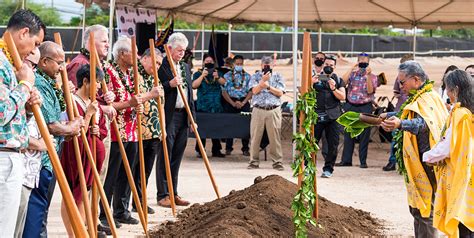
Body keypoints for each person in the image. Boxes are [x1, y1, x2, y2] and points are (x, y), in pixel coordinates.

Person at [23, 41, 84, 238]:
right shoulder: (40, 84)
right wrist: (71, 128)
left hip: (50, 157)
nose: (62, 68)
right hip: (42, 161)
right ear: (44, 62)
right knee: (37, 214)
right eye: (58, 63)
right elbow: (50, 125)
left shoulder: (51, 83)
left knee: (42, 212)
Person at [381, 60, 448, 238]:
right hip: (417, 160)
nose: (400, 86)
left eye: (402, 82)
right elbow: (407, 112)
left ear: (416, 80)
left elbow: (424, 123)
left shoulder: (428, 98)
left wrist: (400, 123)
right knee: (417, 207)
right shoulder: (419, 98)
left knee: (426, 208)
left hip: (428, 162)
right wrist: (389, 115)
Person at [0, 9, 44, 236]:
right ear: (24, 33)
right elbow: (0, 113)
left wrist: (26, 108)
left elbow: (11, 118)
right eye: (35, 44)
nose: (34, 51)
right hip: (3, 157)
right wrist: (25, 85)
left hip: (11, 155)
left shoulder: (8, 63)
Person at [100, 36, 145, 227]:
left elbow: (132, 99)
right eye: (133, 52)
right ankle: (104, 214)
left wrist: (136, 106)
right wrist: (129, 103)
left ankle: (121, 210)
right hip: (116, 130)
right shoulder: (109, 72)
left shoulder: (130, 74)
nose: (137, 56)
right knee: (112, 174)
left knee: (128, 174)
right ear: (122, 54)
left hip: (132, 130)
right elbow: (109, 104)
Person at [423, 69, 474, 237]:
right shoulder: (470, 112)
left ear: (456, 90)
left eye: (447, 88)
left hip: (461, 176)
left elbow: (446, 147)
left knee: (462, 222)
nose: (446, 92)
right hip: (471, 173)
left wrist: (427, 156)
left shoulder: (460, 114)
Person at [60, 64, 108, 237]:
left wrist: (98, 131)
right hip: (76, 155)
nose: (99, 88)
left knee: (84, 194)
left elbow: (102, 130)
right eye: (97, 83)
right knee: (73, 195)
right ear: (85, 81)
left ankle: (83, 231)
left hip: (92, 158)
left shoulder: (94, 103)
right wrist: (88, 116)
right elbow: (74, 132)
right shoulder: (71, 102)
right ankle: (75, 234)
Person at [156, 32, 195, 208]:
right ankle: (163, 194)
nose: (181, 53)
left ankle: (174, 192)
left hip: (183, 115)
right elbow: (154, 88)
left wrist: (193, 119)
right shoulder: (161, 66)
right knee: (166, 153)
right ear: (169, 48)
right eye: (179, 50)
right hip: (168, 114)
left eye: (184, 51)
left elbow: (190, 94)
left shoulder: (186, 67)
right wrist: (169, 85)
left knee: (177, 156)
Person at [132, 48, 164, 214]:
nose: (157, 66)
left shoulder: (156, 79)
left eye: (159, 64)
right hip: (138, 130)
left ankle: (140, 200)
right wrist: (150, 94)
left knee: (146, 170)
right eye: (155, 62)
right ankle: (129, 203)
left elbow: (162, 106)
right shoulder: (134, 75)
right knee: (134, 169)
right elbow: (133, 99)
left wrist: (163, 128)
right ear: (144, 59)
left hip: (154, 131)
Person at [337, 52, 378, 168]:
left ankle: (363, 161)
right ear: (358, 61)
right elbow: (342, 82)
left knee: (364, 135)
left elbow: (370, 91)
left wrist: (368, 75)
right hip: (351, 105)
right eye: (361, 61)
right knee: (348, 133)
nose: (363, 64)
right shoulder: (353, 74)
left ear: (369, 62)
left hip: (365, 105)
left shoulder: (373, 76)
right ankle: (346, 160)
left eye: (365, 62)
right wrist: (351, 68)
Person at [247, 56, 286, 170]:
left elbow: (280, 93)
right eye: (264, 65)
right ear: (261, 65)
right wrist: (262, 82)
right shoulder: (255, 76)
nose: (266, 67)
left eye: (268, 65)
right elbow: (254, 91)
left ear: (273, 65)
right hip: (258, 109)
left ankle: (277, 162)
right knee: (255, 137)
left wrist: (268, 87)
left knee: (275, 137)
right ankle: (253, 161)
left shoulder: (278, 76)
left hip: (273, 109)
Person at [312, 55, 346, 178]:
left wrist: (333, 89)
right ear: (322, 64)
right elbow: (304, 92)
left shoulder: (338, 79)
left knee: (333, 144)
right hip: (317, 115)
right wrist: (311, 83)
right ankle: (309, 167)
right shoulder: (314, 77)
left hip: (333, 117)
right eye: (327, 64)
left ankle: (328, 169)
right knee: (311, 143)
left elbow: (343, 97)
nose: (328, 67)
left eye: (331, 65)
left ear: (335, 67)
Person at [192, 54, 226, 158]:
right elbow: (194, 86)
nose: (209, 63)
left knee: (215, 128)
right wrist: (202, 76)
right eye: (207, 61)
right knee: (202, 129)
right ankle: (200, 150)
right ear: (203, 62)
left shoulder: (217, 73)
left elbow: (224, 83)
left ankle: (216, 150)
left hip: (216, 105)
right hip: (203, 105)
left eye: (211, 61)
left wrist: (218, 77)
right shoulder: (198, 73)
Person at [383, 54, 413, 171]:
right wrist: (401, 95)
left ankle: (407, 165)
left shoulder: (419, 78)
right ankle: (392, 161)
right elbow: (395, 91)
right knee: (395, 138)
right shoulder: (398, 77)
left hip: (412, 110)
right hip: (399, 109)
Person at [222, 55, 252, 156]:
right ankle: (228, 148)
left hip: (244, 101)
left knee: (245, 125)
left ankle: (245, 148)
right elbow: (224, 92)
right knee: (230, 124)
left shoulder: (248, 76)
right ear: (233, 64)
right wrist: (232, 103)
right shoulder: (227, 76)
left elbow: (251, 91)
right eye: (237, 64)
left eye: (241, 64)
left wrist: (243, 102)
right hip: (231, 101)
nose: (239, 66)